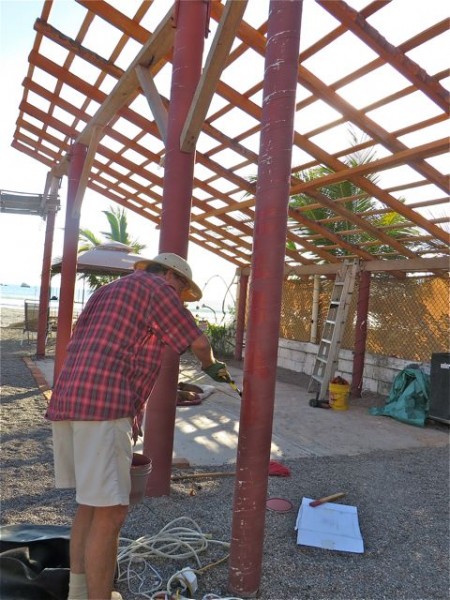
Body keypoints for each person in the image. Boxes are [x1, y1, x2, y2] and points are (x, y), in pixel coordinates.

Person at [46, 253, 232, 600]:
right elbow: (199, 342)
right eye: (181, 292)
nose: (179, 300)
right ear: (172, 278)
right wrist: (214, 368)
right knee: (112, 513)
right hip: (104, 405)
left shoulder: (109, 291)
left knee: (90, 504)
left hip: (69, 399)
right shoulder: (157, 288)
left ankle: (78, 592)